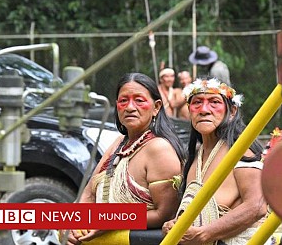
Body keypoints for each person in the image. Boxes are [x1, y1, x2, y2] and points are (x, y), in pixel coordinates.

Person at [65, 72, 185, 244]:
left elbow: (164, 214)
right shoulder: (120, 143)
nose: (130, 107)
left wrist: (111, 220)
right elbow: (89, 195)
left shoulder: (159, 148)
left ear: (156, 107)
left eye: (139, 100)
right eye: (123, 101)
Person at [162, 77, 267, 244]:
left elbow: (257, 206)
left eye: (214, 102)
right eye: (197, 103)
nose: (204, 109)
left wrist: (205, 233)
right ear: (189, 110)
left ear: (232, 111)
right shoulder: (195, 155)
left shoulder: (241, 148)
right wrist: (174, 225)